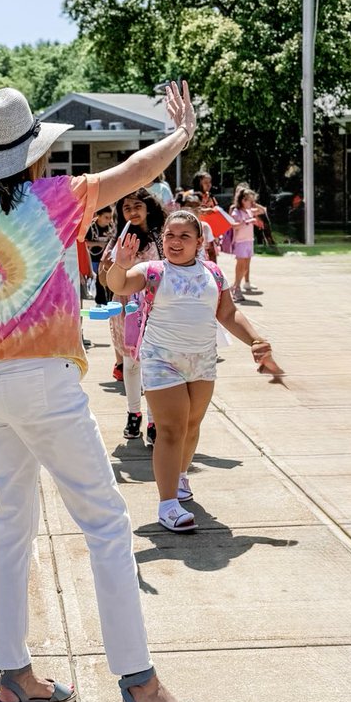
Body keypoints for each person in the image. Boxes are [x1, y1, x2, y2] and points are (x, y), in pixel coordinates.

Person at [0, 82, 215, 702]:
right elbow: (135, 174)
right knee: (108, 524)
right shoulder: (55, 198)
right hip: (47, 384)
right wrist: (179, 136)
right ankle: (142, 692)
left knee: (10, 523)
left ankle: (15, 680)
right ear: (31, 153)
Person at [107, 209, 282, 533]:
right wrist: (121, 264)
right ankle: (168, 504)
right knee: (171, 429)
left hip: (202, 360)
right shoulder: (153, 270)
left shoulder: (213, 273)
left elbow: (228, 314)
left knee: (191, 425)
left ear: (199, 241)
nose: (175, 242)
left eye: (184, 236)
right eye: (170, 235)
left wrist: (255, 340)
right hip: (162, 359)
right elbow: (119, 284)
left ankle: (181, 474)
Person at [99, 188, 165, 442]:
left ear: (148, 207)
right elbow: (106, 280)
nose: (132, 212)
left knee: (154, 365)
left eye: (137, 206)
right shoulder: (119, 238)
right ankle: (133, 413)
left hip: (155, 307)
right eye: (126, 208)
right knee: (131, 362)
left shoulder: (161, 237)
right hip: (127, 308)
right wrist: (110, 266)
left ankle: (154, 420)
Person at [230, 183, 267, 302]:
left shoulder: (249, 210)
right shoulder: (237, 212)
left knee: (245, 267)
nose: (251, 203)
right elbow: (234, 226)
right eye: (249, 201)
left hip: (248, 241)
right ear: (243, 200)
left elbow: (262, 210)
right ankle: (236, 288)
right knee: (240, 266)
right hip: (240, 242)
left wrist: (254, 204)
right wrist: (248, 221)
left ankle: (235, 285)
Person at [85, 205, 115, 306]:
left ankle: (108, 301)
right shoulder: (91, 228)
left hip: (106, 260)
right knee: (97, 281)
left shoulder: (110, 228)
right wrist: (98, 244)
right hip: (93, 259)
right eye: (106, 217)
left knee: (107, 280)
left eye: (110, 217)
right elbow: (84, 243)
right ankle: (99, 301)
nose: (109, 220)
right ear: (99, 216)